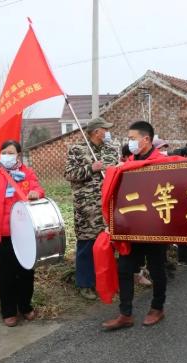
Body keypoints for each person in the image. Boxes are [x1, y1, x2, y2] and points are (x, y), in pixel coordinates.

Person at [102, 121, 169, 330]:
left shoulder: (163, 163)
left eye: (132, 139)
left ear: (146, 139)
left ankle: (157, 308)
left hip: (155, 227)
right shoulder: (126, 164)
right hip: (131, 228)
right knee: (124, 268)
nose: (129, 142)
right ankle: (125, 314)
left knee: (157, 269)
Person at [0, 140, 45, 327]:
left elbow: (38, 188)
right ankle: (9, 311)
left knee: (26, 271)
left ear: (18, 155)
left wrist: (36, 193)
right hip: (1, 233)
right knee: (6, 273)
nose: (6, 155)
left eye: (10, 152)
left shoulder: (27, 173)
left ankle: (25, 306)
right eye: (3, 152)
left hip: (25, 232)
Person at [64, 118, 120, 300]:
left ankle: (105, 282)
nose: (107, 132)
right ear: (96, 131)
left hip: (108, 206)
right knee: (87, 246)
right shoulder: (77, 150)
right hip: (87, 208)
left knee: (107, 245)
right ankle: (85, 284)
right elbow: (69, 174)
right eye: (105, 129)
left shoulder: (111, 150)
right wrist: (91, 168)